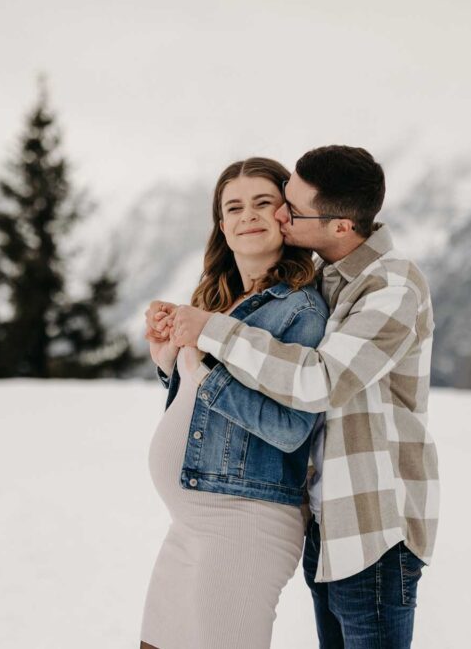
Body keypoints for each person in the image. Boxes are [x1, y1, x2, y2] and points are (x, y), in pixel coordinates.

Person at [150, 145, 437, 649]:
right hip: (329, 522)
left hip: (371, 526)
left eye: (288, 207)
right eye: (234, 208)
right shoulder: (333, 281)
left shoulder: (389, 286)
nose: (279, 215)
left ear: (341, 226)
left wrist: (209, 342)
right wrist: (173, 361)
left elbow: (319, 385)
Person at [139, 157, 329, 649]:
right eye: (235, 207)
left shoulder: (299, 308)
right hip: (193, 520)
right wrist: (169, 364)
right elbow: (208, 415)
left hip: (246, 523)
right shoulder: (220, 301)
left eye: (264, 203)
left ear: (286, 215)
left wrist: (201, 371)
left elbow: (292, 428)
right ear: (221, 225)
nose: (249, 215)